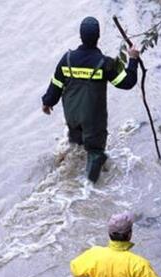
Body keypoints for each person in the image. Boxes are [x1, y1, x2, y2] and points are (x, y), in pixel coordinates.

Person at [41, 16, 139, 183]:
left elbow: (56, 83)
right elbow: (127, 83)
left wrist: (47, 102)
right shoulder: (105, 63)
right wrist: (133, 60)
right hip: (93, 119)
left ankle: (70, 180)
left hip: (72, 116)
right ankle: (89, 188)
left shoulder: (67, 59)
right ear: (98, 37)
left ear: (80, 36)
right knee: (95, 152)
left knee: (76, 147)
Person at [70, 212, 161, 277]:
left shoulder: (94, 254)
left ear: (109, 233)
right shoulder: (138, 264)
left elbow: (76, 272)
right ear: (129, 234)